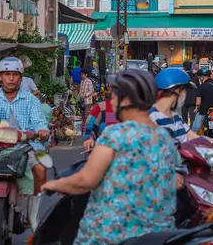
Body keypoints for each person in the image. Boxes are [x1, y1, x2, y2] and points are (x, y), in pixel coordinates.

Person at [42, 70, 179, 244]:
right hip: (160, 235)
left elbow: (86, 180)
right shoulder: (164, 137)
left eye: (114, 97)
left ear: (127, 100)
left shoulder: (116, 134)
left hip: (112, 235)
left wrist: (54, 184)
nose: (111, 102)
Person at [0, 57, 50, 233]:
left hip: (25, 147)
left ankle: (32, 216)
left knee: (41, 170)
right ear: (0, 77)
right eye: (7, 74)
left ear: (21, 78)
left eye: (14, 74)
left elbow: (39, 122)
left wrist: (41, 130)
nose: (11, 78)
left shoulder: (31, 100)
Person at [151, 68, 199, 145]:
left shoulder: (176, 117)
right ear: (176, 90)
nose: (185, 94)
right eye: (184, 90)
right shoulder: (152, 117)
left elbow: (192, 136)